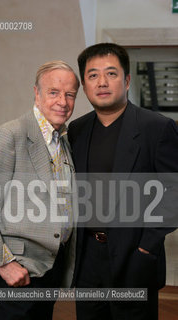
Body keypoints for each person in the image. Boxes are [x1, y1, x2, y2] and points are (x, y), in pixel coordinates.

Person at [68, 43, 178, 320]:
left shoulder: (156, 127)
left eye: (111, 74)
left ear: (127, 80)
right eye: (93, 75)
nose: (102, 82)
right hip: (87, 258)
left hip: (135, 256)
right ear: (84, 84)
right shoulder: (77, 129)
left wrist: (145, 246)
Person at [0, 60, 79, 320]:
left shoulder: (63, 140)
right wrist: (3, 263)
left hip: (50, 269)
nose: (62, 101)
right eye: (53, 92)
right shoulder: (10, 135)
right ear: (36, 93)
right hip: (17, 272)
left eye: (70, 94)